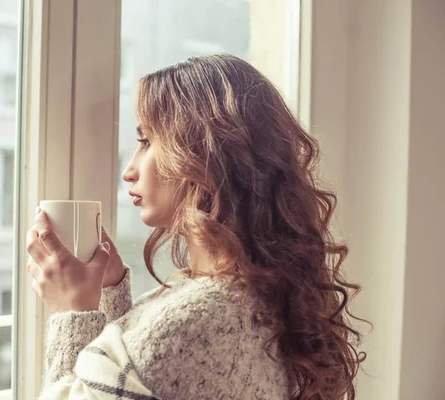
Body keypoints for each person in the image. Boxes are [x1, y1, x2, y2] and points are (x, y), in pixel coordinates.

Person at [26, 54, 366, 400]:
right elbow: (144, 381)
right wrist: (111, 291)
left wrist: (73, 312)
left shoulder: (195, 322)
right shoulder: (249, 291)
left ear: (202, 156)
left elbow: (152, 360)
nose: (129, 170)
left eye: (145, 142)